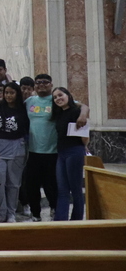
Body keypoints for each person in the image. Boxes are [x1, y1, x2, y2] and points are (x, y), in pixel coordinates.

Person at [0, 83, 29, 222]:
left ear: (17, 94)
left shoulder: (23, 110)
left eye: (12, 93)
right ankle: (1, 213)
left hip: (17, 148)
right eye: (6, 93)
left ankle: (11, 213)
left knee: (14, 184)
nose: (9, 95)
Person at [24, 74, 59, 221]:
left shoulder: (56, 100)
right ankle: (36, 213)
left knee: (51, 184)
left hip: (53, 151)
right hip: (33, 151)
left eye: (45, 82)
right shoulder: (29, 101)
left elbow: (81, 106)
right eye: (38, 83)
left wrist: (83, 115)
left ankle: (54, 208)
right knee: (32, 185)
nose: (41, 85)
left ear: (51, 84)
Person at [52, 87, 87, 221]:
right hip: (61, 153)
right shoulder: (59, 113)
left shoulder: (77, 111)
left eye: (60, 95)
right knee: (62, 189)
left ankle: (76, 221)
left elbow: (84, 136)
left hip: (74, 151)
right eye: (55, 97)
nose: (58, 99)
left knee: (76, 189)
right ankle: (61, 221)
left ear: (68, 95)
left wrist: (84, 147)